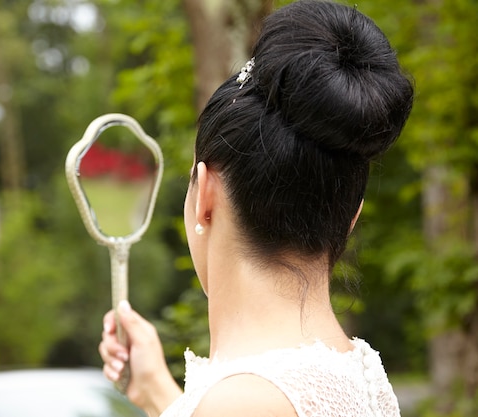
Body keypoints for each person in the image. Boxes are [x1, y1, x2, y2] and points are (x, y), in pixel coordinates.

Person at [99, 1, 414, 416]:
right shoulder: (358, 373)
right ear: (352, 216)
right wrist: (158, 391)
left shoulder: (242, 401)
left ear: (206, 195)